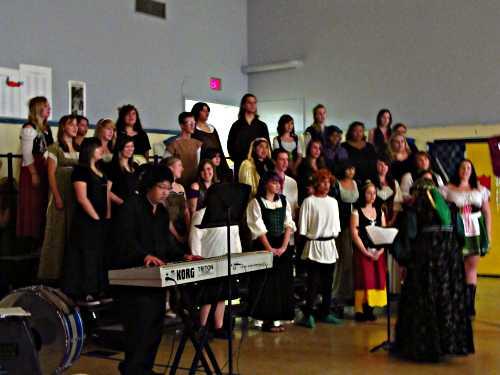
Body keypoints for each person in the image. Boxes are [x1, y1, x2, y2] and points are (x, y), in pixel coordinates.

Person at [111, 165, 184, 375]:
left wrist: (182, 254)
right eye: (161, 187)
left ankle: (145, 368)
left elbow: (166, 244)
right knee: (139, 327)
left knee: (155, 326)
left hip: (155, 279)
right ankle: (132, 369)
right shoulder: (131, 206)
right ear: (150, 186)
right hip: (133, 278)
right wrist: (144, 256)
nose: (165, 192)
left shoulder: (161, 212)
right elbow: (125, 239)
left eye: (168, 188)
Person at [393, 175, 474, 361]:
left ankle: (424, 346)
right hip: (449, 260)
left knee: (425, 299)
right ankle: (449, 344)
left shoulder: (414, 209)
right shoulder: (450, 208)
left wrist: (403, 258)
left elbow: (410, 236)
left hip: (425, 260)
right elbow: (461, 235)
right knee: (446, 298)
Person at [63, 137, 112, 306]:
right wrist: (95, 217)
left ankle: (99, 287)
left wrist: (107, 215)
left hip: (100, 218)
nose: (102, 150)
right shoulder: (81, 171)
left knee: (99, 254)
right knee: (86, 255)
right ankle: (85, 290)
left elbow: (106, 195)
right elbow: (82, 198)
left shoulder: (101, 171)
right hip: (86, 220)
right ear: (90, 150)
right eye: (99, 148)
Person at [440, 159, 491, 317]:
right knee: (455, 266)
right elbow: (441, 212)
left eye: (469, 167)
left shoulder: (480, 189)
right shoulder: (447, 189)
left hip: (475, 230)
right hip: (456, 229)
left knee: (471, 266)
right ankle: (456, 302)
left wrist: (488, 235)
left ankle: (469, 304)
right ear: (458, 170)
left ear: (472, 170)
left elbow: (487, 213)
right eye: (463, 167)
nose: (466, 169)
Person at [246, 172, 296, 332]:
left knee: (281, 282)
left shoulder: (283, 201)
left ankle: (276, 319)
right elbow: (258, 229)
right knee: (264, 283)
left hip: (281, 245)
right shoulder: (256, 203)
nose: (277, 185)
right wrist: (270, 249)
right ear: (266, 183)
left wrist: (283, 247)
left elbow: (289, 224)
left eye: (278, 183)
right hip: (264, 246)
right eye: (274, 182)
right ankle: (263, 319)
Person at [297, 169, 342, 328]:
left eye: (328, 182)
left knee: (328, 282)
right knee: (313, 283)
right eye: (323, 182)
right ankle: (308, 314)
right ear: (316, 183)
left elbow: (336, 228)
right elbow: (302, 227)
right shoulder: (309, 202)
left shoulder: (333, 202)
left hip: (329, 245)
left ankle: (326, 312)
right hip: (314, 245)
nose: (326, 185)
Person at [189, 205, 242, 338]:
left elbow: (235, 237)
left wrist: (238, 257)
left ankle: (219, 326)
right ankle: (202, 326)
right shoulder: (201, 215)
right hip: (208, 262)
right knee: (208, 296)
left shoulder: (230, 215)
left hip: (226, 262)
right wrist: (197, 259)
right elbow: (194, 238)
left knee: (222, 296)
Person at [38, 115, 79, 282]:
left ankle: (69, 272)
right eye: (72, 125)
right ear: (63, 127)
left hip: (75, 195)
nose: (75, 128)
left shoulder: (79, 148)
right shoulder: (54, 148)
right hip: (60, 194)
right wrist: (57, 197)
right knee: (56, 235)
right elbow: (51, 174)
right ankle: (51, 274)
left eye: (77, 125)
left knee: (71, 234)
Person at [17, 96, 54, 247]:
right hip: (33, 168)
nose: (49, 108)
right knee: (32, 202)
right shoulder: (29, 128)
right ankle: (30, 237)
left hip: (44, 166)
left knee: (42, 202)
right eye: (46, 106)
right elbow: (27, 154)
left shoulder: (46, 128)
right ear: (38, 108)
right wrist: (34, 173)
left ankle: (41, 235)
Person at [350, 181, 387, 322]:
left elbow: (384, 232)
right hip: (363, 251)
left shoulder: (380, 212)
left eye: (374, 193)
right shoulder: (356, 212)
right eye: (369, 193)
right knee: (364, 279)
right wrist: (365, 252)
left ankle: (371, 308)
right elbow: (355, 234)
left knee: (376, 279)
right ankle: (361, 310)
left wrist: (380, 251)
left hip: (378, 252)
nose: (372, 196)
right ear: (363, 194)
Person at [330, 161, 359, 316]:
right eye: (348, 168)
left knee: (351, 260)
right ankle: (336, 294)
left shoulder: (357, 183)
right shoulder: (336, 185)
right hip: (340, 225)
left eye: (352, 168)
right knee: (340, 259)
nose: (351, 171)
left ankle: (350, 293)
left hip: (355, 225)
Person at [227, 93, 270, 178]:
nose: (253, 105)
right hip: (241, 164)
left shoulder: (262, 125)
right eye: (249, 103)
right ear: (243, 105)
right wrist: (237, 159)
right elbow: (230, 145)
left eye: (254, 103)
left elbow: (267, 146)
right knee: (241, 189)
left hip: (258, 165)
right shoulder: (236, 125)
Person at [191, 102, 233, 182]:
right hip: (203, 162)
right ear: (197, 111)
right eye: (203, 111)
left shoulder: (212, 128)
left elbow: (219, 147)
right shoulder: (194, 128)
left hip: (217, 162)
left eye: (207, 111)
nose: (206, 113)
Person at [164, 112, 203, 187]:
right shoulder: (173, 144)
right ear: (182, 125)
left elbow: (198, 166)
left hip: (193, 183)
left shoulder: (197, 144)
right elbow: (165, 165)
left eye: (194, 123)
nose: (193, 125)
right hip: (177, 184)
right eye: (190, 123)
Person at [161, 157, 190, 247]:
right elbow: (164, 216)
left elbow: (186, 212)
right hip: (169, 231)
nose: (183, 168)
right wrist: (178, 237)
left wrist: (189, 232)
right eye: (179, 165)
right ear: (170, 168)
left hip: (183, 228)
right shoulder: (163, 188)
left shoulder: (181, 187)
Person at [108, 136, 139, 207]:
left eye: (132, 146)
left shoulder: (135, 166)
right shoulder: (113, 167)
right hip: (120, 207)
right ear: (120, 149)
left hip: (134, 207)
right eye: (127, 147)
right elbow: (107, 191)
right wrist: (123, 203)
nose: (130, 149)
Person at [296, 139, 326, 204]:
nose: (318, 151)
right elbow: (301, 184)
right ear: (309, 149)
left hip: (322, 196)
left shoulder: (322, 165)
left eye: (319, 148)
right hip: (307, 198)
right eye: (315, 147)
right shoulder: (303, 165)